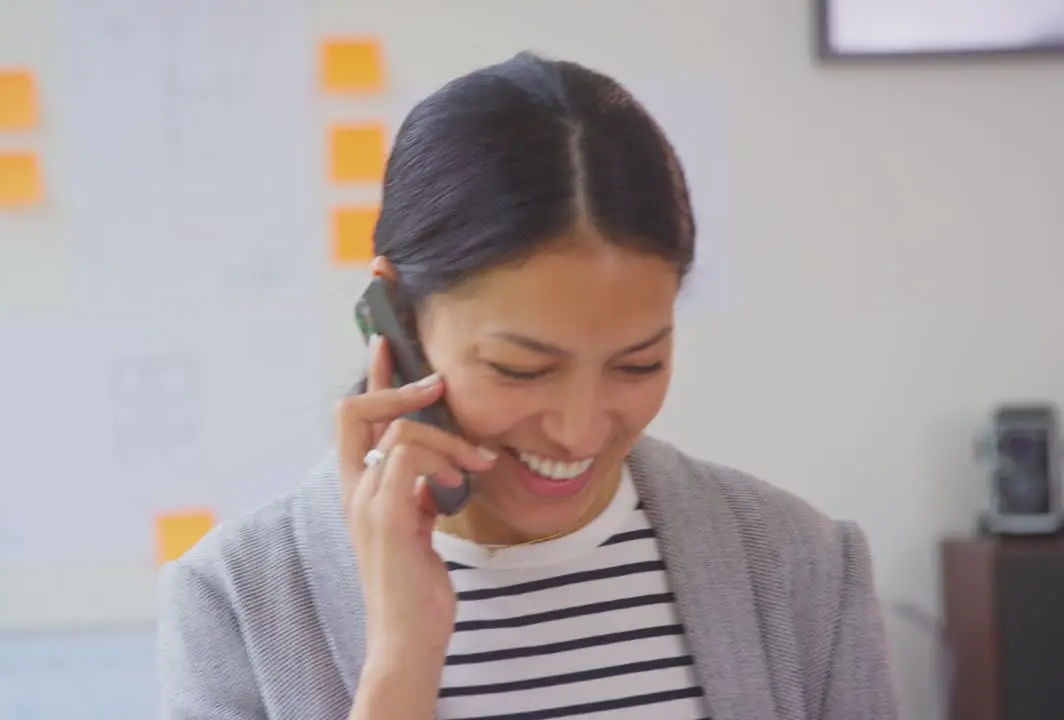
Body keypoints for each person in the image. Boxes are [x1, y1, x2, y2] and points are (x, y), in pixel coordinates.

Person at [158, 52, 899, 720]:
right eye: (521, 369)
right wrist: (400, 663)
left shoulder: (800, 566)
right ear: (396, 317)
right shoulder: (238, 601)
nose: (579, 431)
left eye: (638, 363)